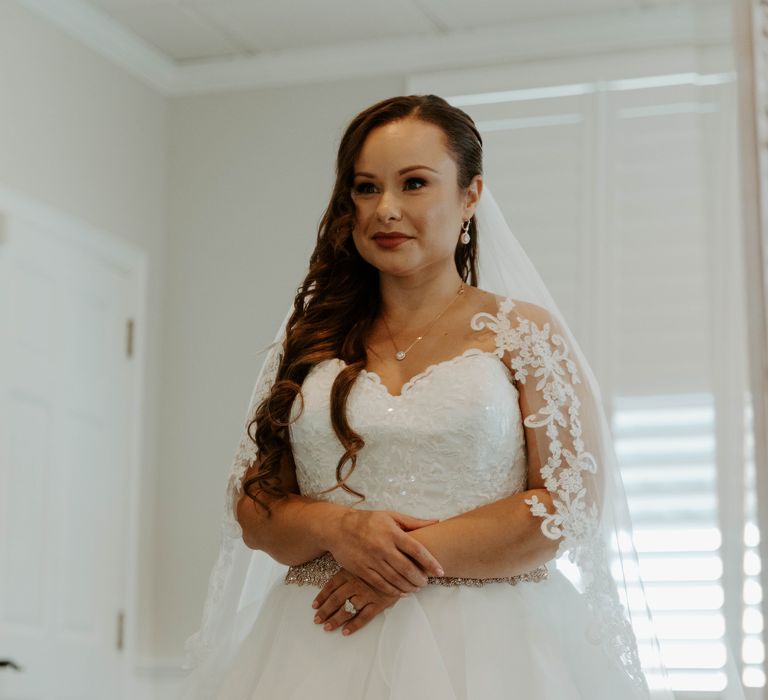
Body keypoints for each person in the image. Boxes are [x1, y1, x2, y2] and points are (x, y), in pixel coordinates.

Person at [178, 94, 681, 699]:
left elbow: (566, 504)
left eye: (414, 183)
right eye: (366, 188)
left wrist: (394, 563)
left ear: (470, 196)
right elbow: (256, 509)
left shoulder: (522, 333)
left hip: (492, 651)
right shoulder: (310, 336)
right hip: (316, 643)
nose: (386, 209)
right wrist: (338, 528)